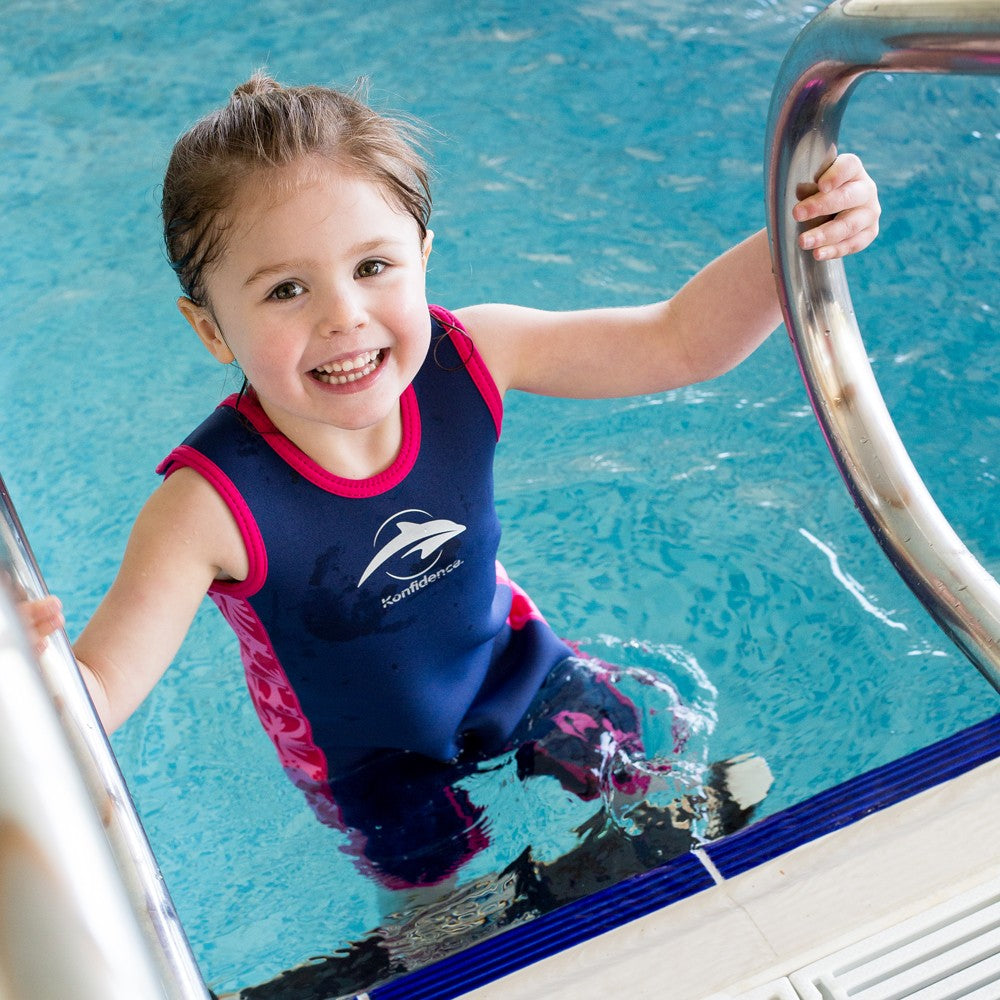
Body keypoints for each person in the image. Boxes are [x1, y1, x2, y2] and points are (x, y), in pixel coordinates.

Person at [22, 73, 881, 895]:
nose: (343, 316)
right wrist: (24, 680)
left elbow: (680, 340)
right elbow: (104, 688)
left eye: (373, 267)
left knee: (646, 763)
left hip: (514, 666)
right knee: (433, 906)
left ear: (424, 254)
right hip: (370, 762)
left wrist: (798, 233)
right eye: (286, 289)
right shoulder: (205, 508)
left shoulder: (474, 358)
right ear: (211, 329)